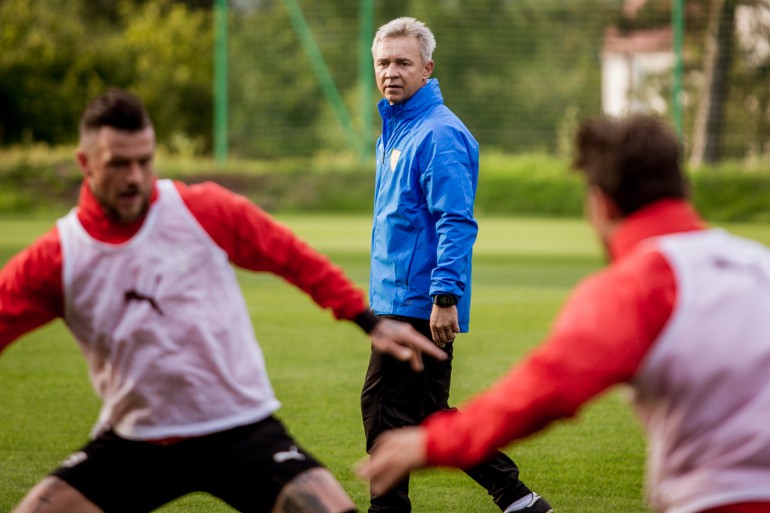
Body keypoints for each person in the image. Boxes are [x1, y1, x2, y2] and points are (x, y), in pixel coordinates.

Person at [0, 88, 448, 513]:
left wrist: (367, 321)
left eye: (144, 161)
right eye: (119, 164)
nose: (135, 177)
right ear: (85, 163)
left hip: (240, 430)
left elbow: (293, 258)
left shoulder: (202, 210)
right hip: (135, 441)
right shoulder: (59, 257)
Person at [359, 113, 770, 513]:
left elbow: (545, 389)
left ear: (600, 204)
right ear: (683, 187)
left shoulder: (638, 287)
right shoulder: (758, 261)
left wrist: (431, 444)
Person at [362, 16, 552, 513]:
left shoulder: (438, 133)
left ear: (428, 68)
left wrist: (445, 297)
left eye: (403, 62)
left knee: (385, 409)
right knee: (427, 414)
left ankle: (388, 509)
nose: (391, 72)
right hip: (398, 297)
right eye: (383, 62)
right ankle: (519, 500)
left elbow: (455, 222)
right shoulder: (399, 126)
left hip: (419, 302)